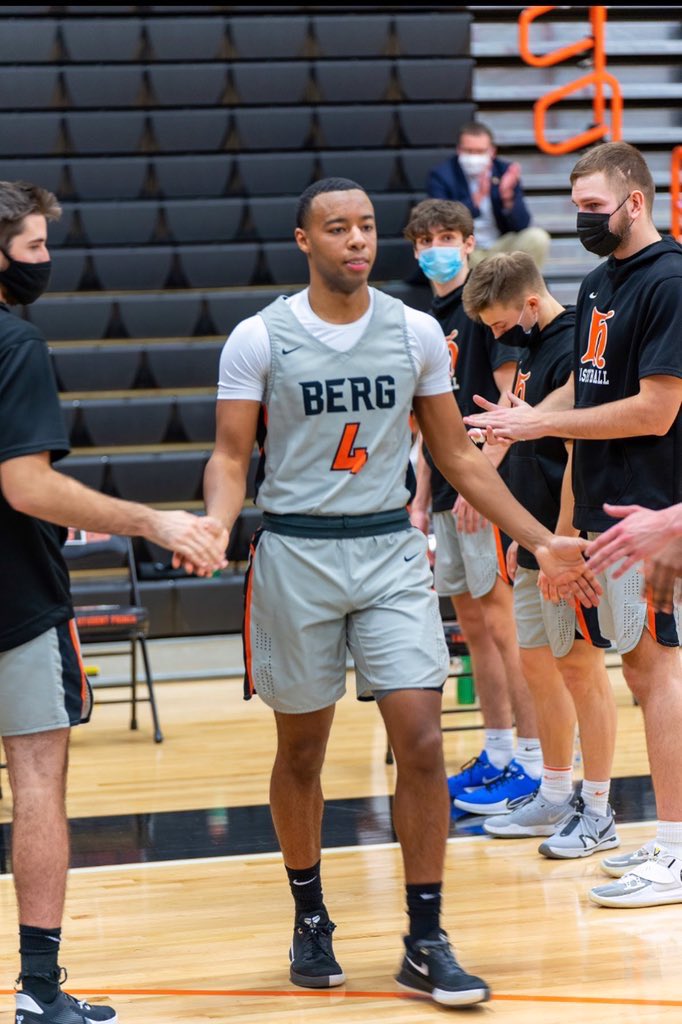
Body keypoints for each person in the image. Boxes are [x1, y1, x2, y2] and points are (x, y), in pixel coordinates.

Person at [204, 176, 600, 1006]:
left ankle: (426, 936)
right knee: (302, 752)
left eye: (366, 227)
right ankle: (310, 915)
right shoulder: (257, 338)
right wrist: (213, 521)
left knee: (421, 743)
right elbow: (233, 456)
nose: (357, 239)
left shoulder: (415, 331)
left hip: (388, 549)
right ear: (305, 241)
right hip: (297, 552)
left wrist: (540, 539)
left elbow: (456, 458)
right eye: (337, 228)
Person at [0, 180, 229, 1024]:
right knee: (36, 782)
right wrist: (153, 521)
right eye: (31, 246)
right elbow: (26, 486)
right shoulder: (13, 343)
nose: (45, 261)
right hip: (15, 603)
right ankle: (39, 990)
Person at [463, 142, 682, 907]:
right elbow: (584, 414)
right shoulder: (597, 282)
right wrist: (562, 534)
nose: (584, 219)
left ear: (635, 202)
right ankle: (657, 838)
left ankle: (677, 848)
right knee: (641, 669)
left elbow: (657, 412)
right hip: (598, 514)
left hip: (656, 514)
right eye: (577, 206)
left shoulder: (670, 281)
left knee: (658, 672)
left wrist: (527, 429)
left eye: (595, 207)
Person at [461, 251, 619, 858]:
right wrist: (518, 538)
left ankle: (599, 809)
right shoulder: (528, 349)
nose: (497, 337)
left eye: (500, 324)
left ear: (530, 303)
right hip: (531, 539)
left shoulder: (578, 342)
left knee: (580, 666)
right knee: (537, 664)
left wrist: (558, 535)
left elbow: (579, 439)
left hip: (566, 536)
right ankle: (554, 792)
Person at [403, 199, 543, 816]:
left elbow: (510, 406)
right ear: (414, 249)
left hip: (486, 485)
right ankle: (498, 750)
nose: (437, 246)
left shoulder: (487, 309)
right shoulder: (424, 318)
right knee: (475, 628)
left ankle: (537, 764)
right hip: (444, 491)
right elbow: (431, 424)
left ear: (468, 243)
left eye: (448, 237)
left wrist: (479, 482)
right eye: (425, 238)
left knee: (505, 626)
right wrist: (423, 492)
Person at [427, 121, 550, 270]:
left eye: (480, 151)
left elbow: (522, 225)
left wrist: (508, 197)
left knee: (537, 237)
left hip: (500, 246)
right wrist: (477, 198)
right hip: (467, 250)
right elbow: (442, 222)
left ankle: (523, 290)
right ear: (459, 150)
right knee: (443, 249)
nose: (474, 157)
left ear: (492, 151)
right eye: (469, 151)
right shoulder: (442, 175)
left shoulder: (504, 171)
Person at [586, 502, 682, 614]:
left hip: (646, 533)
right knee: (610, 630)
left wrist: (676, 524)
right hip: (597, 525)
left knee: (637, 627)